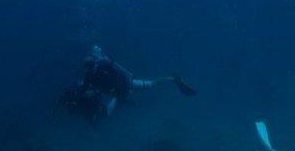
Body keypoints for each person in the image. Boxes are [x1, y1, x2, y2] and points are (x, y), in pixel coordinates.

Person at [55, 45, 195, 124]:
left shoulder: (104, 63)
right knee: (149, 85)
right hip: (120, 87)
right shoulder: (89, 75)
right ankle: (172, 79)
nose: (91, 67)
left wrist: (129, 75)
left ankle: (173, 78)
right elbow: (86, 88)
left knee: (149, 84)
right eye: (88, 66)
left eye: (90, 65)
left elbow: (117, 67)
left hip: (125, 84)